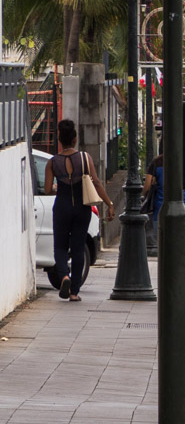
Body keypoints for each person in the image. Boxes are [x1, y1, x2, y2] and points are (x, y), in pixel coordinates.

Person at [45, 120, 111, 301]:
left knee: (60, 246)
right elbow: (97, 183)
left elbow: (48, 189)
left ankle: (64, 276)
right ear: (74, 139)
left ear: (59, 140)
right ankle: (74, 292)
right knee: (78, 248)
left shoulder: (53, 162)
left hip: (62, 207)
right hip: (82, 208)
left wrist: (59, 187)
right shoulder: (84, 158)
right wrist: (109, 204)